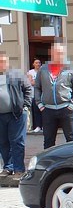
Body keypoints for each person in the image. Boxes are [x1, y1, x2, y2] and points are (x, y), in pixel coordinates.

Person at [35, 41, 73, 149]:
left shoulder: (71, 68)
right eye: (56, 53)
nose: (59, 55)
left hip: (67, 109)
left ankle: (72, 164)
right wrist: (39, 104)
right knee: (48, 141)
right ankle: (48, 165)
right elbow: (37, 87)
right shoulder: (43, 69)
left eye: (61, 53)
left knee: (71, 139)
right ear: (51, 53)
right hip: (48, 110)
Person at [0, 53, 33, 181]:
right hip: (1, 116)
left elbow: (28, 89)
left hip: (16, 114)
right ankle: (8, 167)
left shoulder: (16, 74)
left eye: (3, 61)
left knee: (17, 142)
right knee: (3, 142)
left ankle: (19, 169)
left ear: (7, 62)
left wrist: (25, 106)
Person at [26, 59, 42, 133]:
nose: (38, 64)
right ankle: (38, 126)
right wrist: (39, 82)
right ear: (33, 64)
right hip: (34, 95)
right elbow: (30, 82)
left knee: (44, 111)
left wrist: (35, 82)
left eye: (39, 63)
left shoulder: (43, 71)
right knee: (36, 111)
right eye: (36, 63)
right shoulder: (30, 72)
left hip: (43, 95)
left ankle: (44, 126)